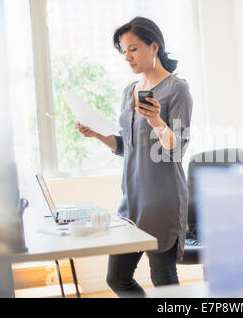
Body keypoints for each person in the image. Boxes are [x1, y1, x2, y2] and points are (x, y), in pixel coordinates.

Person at [76, 16, 193, 297]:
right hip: (131, 201)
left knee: (163, 281)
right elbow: (126, 145)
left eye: (133, 49)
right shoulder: (129, 91)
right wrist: (98, 135)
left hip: (163, 202)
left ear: (154, 46)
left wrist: (156, 121)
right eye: (123, 51)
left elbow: (176, 148)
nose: (127, 57)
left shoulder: (177, 90)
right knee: (117, 278)